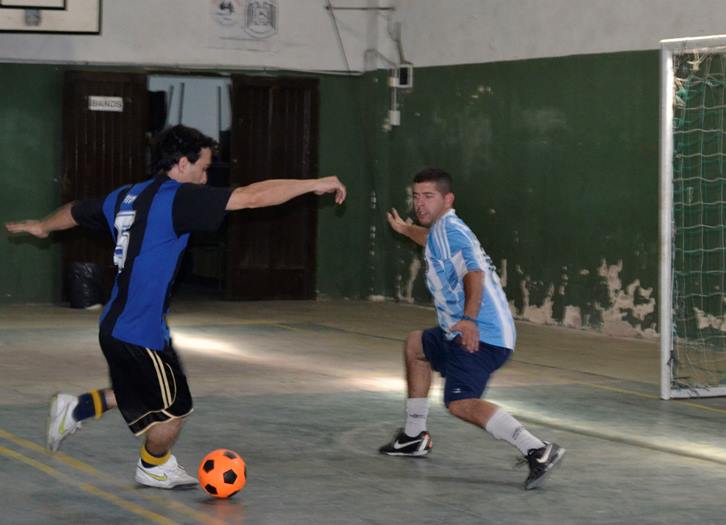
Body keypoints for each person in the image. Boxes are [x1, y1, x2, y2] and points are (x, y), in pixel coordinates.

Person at [5, 125, 346, 489]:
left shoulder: (126, 196)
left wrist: (42, 226)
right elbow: (251, 197)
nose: (205, 177)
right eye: (203, 168)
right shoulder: (178, 198)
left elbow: (76, 211)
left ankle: (78, 409)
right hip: (135, 330)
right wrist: (313, 184)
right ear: (182, 164)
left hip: (130, 325)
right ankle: (153, 466)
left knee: (146, 391)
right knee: (175, 410)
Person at [382, 167, 564, 490]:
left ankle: (537, 449)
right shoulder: (440, 230)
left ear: (447, 199)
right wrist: (406, 229)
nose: (420, 203)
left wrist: (469, 319)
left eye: (428, 196)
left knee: (460, 402)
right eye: (416, 196)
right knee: (416, 345)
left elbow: (474, 275)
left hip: (482, 334)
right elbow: (429, 241)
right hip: (458, 330)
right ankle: (413, 436)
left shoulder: (452, 232)